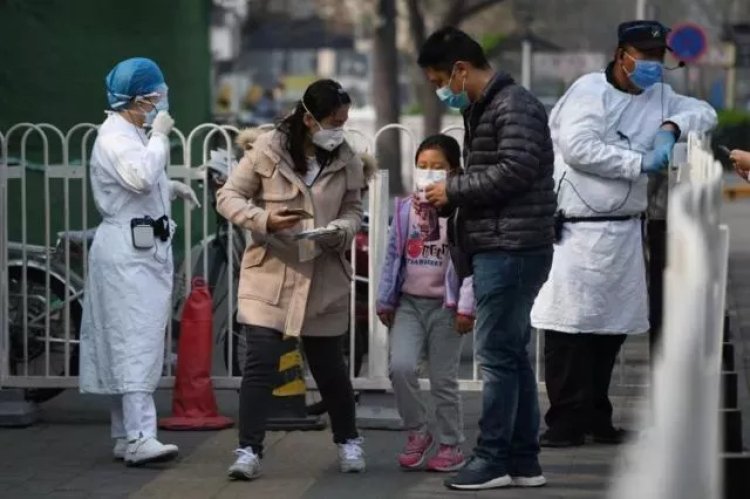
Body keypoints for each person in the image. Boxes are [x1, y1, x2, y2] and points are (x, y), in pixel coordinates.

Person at [530, 21, 717, 448]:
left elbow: (703, 112)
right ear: (621, 54)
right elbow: (579, 148)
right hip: (577, 232)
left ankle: (598, 415)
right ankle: (565, 419)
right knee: (569, 329)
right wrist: (638, 163)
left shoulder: (660, 95)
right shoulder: (587, 92)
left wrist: (670, 127)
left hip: (624, 232)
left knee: (609, 332)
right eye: (644, 54)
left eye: (658, 56)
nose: (652, 64)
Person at [418, 27, 557, 491]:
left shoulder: (511, 105)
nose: (441, 89)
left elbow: (516, 169)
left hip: (511, 248)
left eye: (441, 79)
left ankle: (493, 457)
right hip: (506, 243)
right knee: (512, 357)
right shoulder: (488, 107)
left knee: (496, 359)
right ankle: (523, 461)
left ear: (461, 69)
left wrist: (452, 189)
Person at [216, 79, 367, 481]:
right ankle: (248, 449)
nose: (340, 129)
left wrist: (341, 229)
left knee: (330, 368)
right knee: (260, 365)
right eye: (333, 121)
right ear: (308, 118)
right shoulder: (268, 149)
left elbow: (354, 210)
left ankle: (348, 441)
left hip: (323, 275)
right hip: (271, 273)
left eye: (344, 121)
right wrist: (264, 219)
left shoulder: (346, 157)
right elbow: (228, 197)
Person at [79, 57, 200, 466]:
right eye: (155, 96)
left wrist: (172, 186)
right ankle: (140, 438)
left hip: (138, 250)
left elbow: (141, 181)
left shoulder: (129, 132)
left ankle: (124, 435)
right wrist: (161, 139)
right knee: (135, 343)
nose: (160, 102)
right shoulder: (116, 136)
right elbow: (138, 177)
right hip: (128, 256)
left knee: (128, 341)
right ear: (137, 99)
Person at [376, 134, 475, 472]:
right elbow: (393, 256)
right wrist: (385, 299)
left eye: (438, 168)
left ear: (455, 172)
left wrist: (466, 306)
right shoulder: (405, 209)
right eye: (423, 167)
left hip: (446, 309)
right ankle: (418, 431)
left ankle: (451, 444)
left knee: (443, 379)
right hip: (408, 306)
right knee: (400, 368)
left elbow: (469, 264)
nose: (429, 173)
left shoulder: (462, 212)